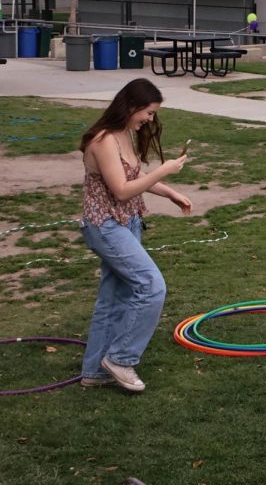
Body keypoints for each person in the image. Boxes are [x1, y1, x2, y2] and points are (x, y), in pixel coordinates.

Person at [78, 78, 191, 392]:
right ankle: (120, 358)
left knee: (113, 298)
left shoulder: (124, 134)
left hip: (127, 222)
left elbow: (135, 175)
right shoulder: (103, 140)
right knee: (151, 286)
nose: (150, 120)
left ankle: (94, 372)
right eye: (149, 112)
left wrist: (171, 194)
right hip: (105, 226)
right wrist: (163, 170)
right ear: (130, 106)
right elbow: (122, 189)